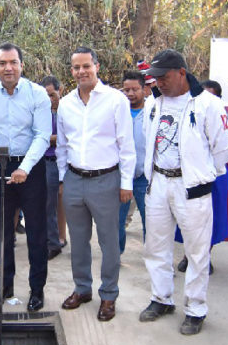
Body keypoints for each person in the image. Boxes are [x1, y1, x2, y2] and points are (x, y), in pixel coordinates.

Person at [138, 49, 228, 336]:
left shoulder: (209, 105)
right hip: (158, 184)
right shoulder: (153, 104)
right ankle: (161, 298)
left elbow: (221, 150)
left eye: (164, 77)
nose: (159, 83)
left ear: (181, 73)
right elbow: (147, 137)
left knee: (196, 252)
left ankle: (195, 308)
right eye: (155, 79)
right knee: (156, 246)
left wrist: (200, 176)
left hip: (191, 188)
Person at [56, 46, 135, 321]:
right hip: (75, 180)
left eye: (86, 66)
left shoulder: (115, 100)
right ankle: (82, 288)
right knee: (78, 241)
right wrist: (62, 178)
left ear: (97, 66)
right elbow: (62, 146)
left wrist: (126, 183)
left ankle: (109, 294)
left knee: (108, 241)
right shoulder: (66, 103)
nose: (81, 72)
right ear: (72, 71)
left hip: (106, 181)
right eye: (76, 67)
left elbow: (126, 146)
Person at [0, 43, 51, 312]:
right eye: (3, 63)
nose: (8, 68)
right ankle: (4, 287)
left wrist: (25, 168)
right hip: (0, 168)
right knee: (3, 231)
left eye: (13, 62)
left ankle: (37, 289)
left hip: (31, 167)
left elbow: (42, 135)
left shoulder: (37, 94)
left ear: (22, 65)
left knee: (36, 233)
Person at [175, 80, 228, 274]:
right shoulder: (187, 112)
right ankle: (187, 255)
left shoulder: (223, 115)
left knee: (211, 218)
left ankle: (205, 257)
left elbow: (220, 149)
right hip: (189, 174)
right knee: (188, 217)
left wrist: (208, 172)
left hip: (214, 174)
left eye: (211, 95)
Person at [118, 71, 148, 254]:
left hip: (145, 176)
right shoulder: (118, 112)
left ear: (144, 89)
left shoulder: (153, 112)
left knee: (150, 221)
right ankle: (116, 255)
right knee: (118, 221)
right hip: (121, 176)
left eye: (135, 89)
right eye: (126, 90)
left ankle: (154, 258)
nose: (130, 93)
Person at [40, 75, 65, 260]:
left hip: (58, 162)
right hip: (42, 162)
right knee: (46, 204)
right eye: (46, 96)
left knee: (52, 204)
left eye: (52, 95)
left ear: (60, 90)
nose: (50, 99)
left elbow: (69, 137)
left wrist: (49, 138)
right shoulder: (41, 112)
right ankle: (50, 240)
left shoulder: (68, 110)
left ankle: (54, 243)